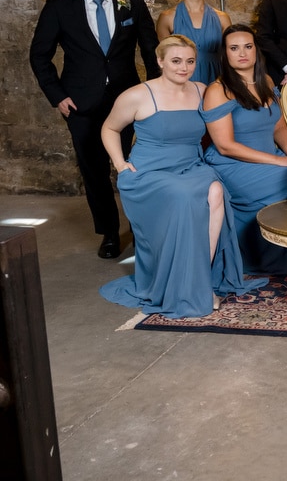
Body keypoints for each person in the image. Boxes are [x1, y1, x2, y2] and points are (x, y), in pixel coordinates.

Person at [98, 35, 267, 319]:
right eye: (176, 61)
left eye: (190, 62)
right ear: (160, 61)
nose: (183, 67)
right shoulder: (138, 94)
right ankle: (189, 285)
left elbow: (239, 109)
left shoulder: (201, 90)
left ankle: (198, 279)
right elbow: (109, 129)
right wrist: (119, 163)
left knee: (217, 191)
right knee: (186, 197)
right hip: (150, 173)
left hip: (190, 166)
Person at [29, 0, 160, 259]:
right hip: (80, 104)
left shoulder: (133, 3)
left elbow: (151, 52)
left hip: (128, 102)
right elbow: (39, 55)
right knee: (95, 170)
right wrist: (57, 96)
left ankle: (145, 231)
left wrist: (155, 93)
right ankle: (111, 233)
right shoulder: (59, 5)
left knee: (137, 166)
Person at [202, 24, 287, 276]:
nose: (242, 53)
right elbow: (226, 146)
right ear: (225, 54)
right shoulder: (218, 90)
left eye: (248, 46)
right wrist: (280, 163)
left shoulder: (265, 80)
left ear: (256, 50)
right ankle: (264, 260)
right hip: (234, 164)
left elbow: (278, 126)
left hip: (270, 157)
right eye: (234, 48)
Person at [155, 0, 232, 85]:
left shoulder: (222, 18)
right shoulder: (167, 17)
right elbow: (165, 58)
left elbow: (230, 55)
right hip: (181, 79)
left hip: (217, 78)